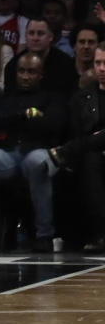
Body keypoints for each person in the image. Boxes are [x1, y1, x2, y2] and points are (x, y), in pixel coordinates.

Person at [0, 51, 65, 252]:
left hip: (40, 151)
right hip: (9, 153)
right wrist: (25, 116)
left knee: (38, 163)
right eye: (21, 71)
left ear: (41, 74)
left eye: (31, 72)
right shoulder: (6, 97)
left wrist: (14, 122)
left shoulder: (52, 97)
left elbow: (55, 125)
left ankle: (44, 234)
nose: (25, 76)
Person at [48, 43, 105, 251]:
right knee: (91, 159)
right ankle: (98, 233)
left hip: (83, 149)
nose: (101, 68)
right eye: (98, 63)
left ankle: (67, 151)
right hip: (91, 155)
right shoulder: (82, 97)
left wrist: (71, 148)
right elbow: (75, 129)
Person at [3, 18, 78, 95]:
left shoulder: (66, 64)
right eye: (31, 33)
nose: (35, 38)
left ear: (51, 37)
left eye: (40, 33)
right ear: (25, 36)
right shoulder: (13, 64)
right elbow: (9, 97)